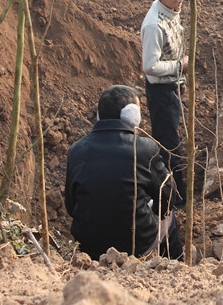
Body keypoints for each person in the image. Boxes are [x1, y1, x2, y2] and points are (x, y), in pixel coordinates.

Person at [65, 85, 183, 260]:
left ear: (99, 115)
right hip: (137, 244)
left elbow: (71, 206)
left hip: (90, 247)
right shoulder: (145, 149)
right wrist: (155, 212)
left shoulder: (76, 151)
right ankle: (176, 267)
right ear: (132, 116)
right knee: (169, 217)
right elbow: (168, 194)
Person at [141, 0, 188, 208]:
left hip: (173, 86)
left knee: (171, 139)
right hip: (161, 93)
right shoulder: (153, 25)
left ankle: (170, 189)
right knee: (169, 145)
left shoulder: (172, 12)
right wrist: (178, 66)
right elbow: (150, 66)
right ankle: (177, 196)